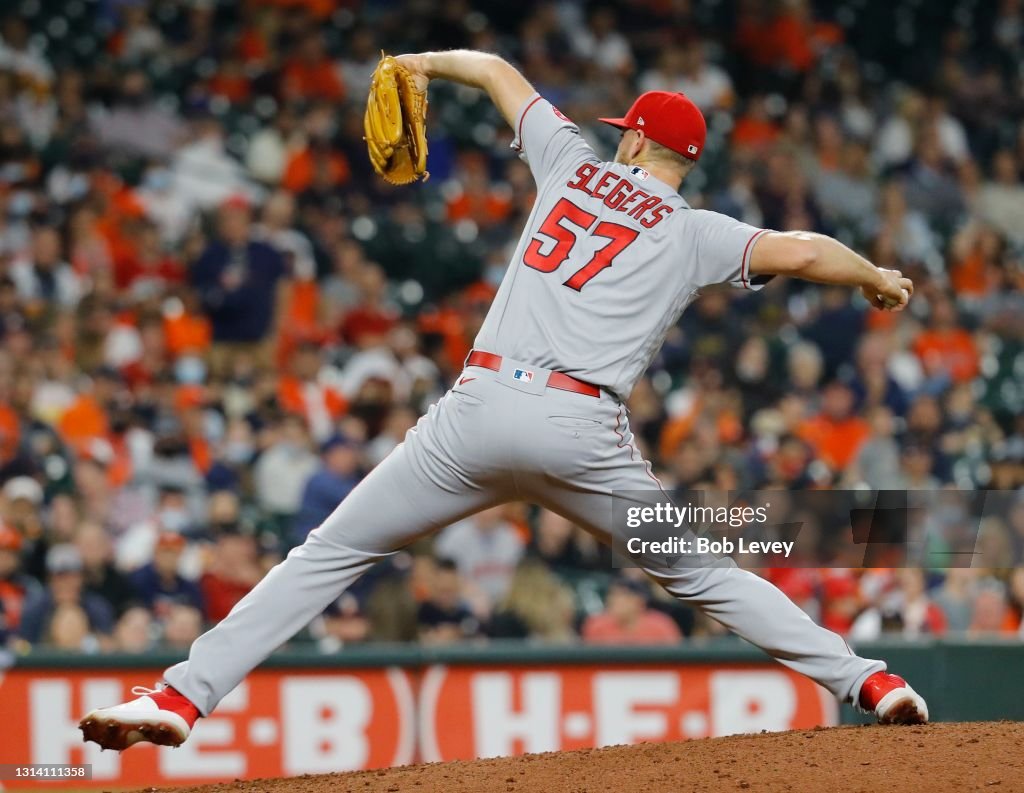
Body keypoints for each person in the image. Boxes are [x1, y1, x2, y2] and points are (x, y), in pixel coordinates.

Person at [80, 49, 926, 751]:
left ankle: (180, 698)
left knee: (327, 555)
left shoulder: (570, 162)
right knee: (703, 568)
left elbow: (490, 68)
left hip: (477, 411)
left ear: (632, 142)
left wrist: (414, 63)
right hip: (580, 428)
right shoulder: (698, 229)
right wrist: (877, 278)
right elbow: (808, 252)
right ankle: (870, 679)